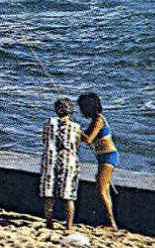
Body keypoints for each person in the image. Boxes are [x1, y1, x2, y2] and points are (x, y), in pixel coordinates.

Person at [76, 92, 119, 229]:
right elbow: (86, 137)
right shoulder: (95, 120)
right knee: (103, 189)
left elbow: (88, 139)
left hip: (108, 156)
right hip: (104, 157)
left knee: (102, 190)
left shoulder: (99, 121)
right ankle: (110, 222)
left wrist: (76, 130)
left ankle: (111, 224)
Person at [39, 97, 82, 231]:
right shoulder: (76, 127)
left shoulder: (48, 122)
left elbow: (44, 140)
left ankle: (49, 222)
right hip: (68, 160)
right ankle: (69, 225)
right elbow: (77, 145)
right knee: (68, 194)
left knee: (49, 192)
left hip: (50, 158)